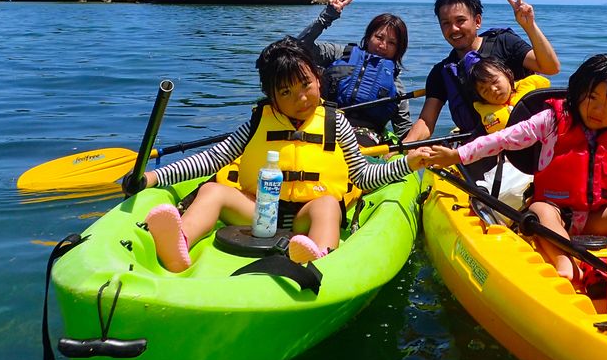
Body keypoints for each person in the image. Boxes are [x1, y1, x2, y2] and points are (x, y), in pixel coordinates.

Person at [425, 54, 607, 286]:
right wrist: (457, 154)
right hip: (556, 215)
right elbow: (502, 139)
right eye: (592, 98)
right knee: (540, 208)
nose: (598, 110)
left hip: (596, 217)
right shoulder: (551, 121)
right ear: (578, 93)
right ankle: (567, 265)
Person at [136, 37, 431, 272]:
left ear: (318, 78)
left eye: (305, 85)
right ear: (271, 96)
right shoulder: (257, 122)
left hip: (307, 215)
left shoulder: (336, 122)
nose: (300, 98)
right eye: (286, 93)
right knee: (213, 190)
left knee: (328, 205)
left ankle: (318, 262)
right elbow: (211, 159)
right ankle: (179, 242)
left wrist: (409, 163)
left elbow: (364, 177)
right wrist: (152, 177)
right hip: (258, 211)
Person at [405, 0, 560, 145]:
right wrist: (401, 148)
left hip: (525, 143)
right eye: (446, 23)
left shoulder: (504, 42)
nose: (454, 29)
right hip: (477, 150)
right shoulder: (441, 72)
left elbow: (551, 67)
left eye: (460, 20)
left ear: (477, 21)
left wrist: (530, 26)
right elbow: (426, 122)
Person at [296, 0, 411, 146]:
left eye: (392, 43)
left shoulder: (396, 86)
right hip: (323, 123)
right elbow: (300, 47)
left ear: (399, 49)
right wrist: (328, 16)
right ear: (368, 37)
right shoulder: (340, 54)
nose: (383, 46)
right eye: (379, 37)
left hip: (364, 138)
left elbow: (403, 129)